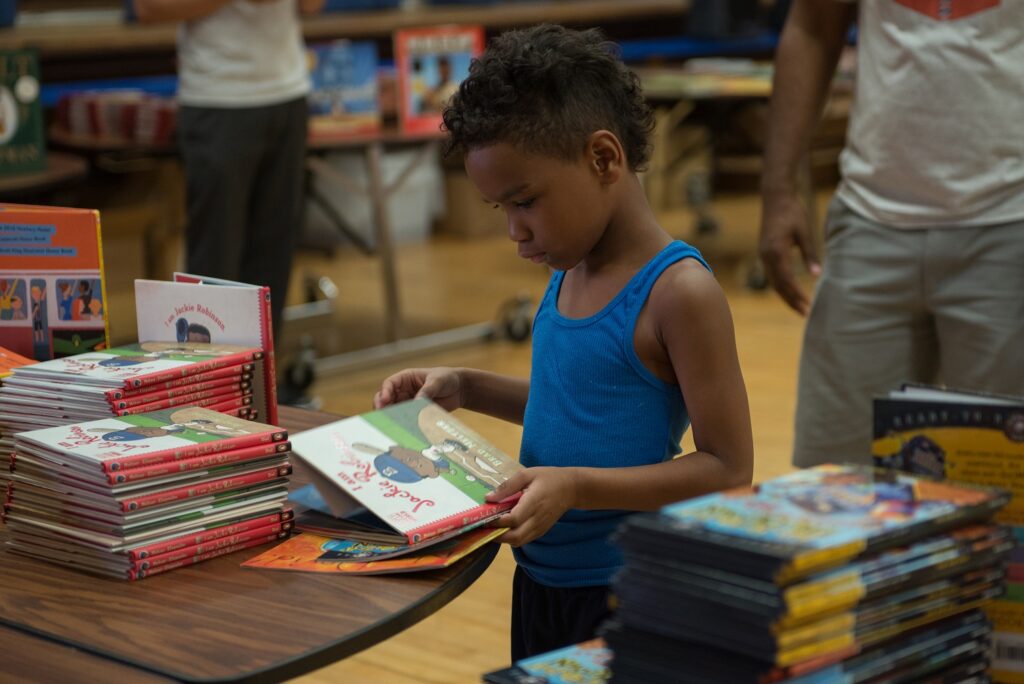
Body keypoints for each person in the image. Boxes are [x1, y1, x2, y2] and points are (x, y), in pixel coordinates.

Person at [373, 24, 754, 661]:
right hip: (539, 581)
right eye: (501, 211)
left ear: (603, 159)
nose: (516, 233)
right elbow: (580, 405)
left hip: (621, 589)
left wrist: (574, 487)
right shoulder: (566, 267)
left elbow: (727, 466)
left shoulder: (679, 292)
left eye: (525, 201)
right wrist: (467, 385)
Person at [758, 1, 1024, 469]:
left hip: (1010, 225)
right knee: (838, 482)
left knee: (1005, 488)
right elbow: (813, 28)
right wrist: (778, 189)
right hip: (870, 221)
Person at [132, 0, 325, 337]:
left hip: (288, 92)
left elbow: (312, 6)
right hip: (219, 98)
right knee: (215, 260)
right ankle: (208, 383)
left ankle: (262, 383)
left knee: (273, 262)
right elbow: (148, 8)